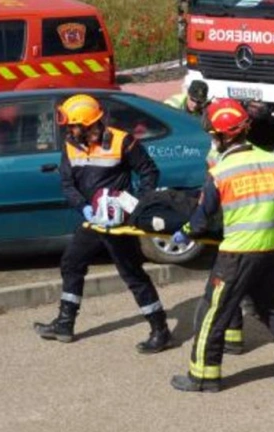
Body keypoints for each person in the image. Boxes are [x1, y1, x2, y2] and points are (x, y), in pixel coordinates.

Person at [169, 98, 274, 392]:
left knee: (213, 312)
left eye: (214, 135)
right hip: (272, 250)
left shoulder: (221, 171)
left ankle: (203, 376)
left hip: (237, 254)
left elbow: (202, 219)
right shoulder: (273, 161)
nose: (213, 140)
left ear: (223, 136)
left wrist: (184, 233)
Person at [33, 94, 173, 354]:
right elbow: (68, 184)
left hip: (118, 224)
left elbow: (148, 171)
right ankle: (65, 324)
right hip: (94, 221)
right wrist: (84, 208)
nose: (69, 131)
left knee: (131, 273)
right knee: (71, 263)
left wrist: (136, 206)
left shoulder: (122, 141)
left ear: (88, 124)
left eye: (73, 126)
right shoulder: (71, 145)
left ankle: (160, 330)